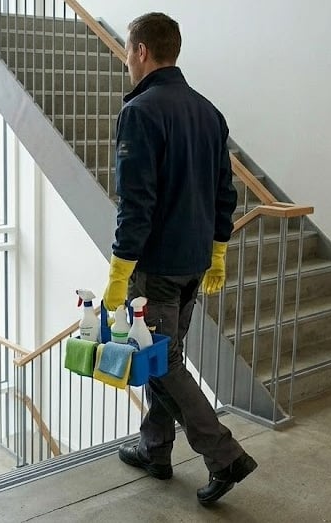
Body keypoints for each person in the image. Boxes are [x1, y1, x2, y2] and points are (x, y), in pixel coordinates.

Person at [102, 12, 257, 506]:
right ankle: (156, 449)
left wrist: (120, 269)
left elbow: (136, 201)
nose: (128, 60)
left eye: (129, 51)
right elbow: (222, 193)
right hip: (194, 264)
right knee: (163, 357)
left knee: (162, 362)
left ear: (142, 51)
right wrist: (217, 251)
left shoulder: (141, 111)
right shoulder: (208, 112)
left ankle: (224, 455)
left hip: (158, 269)